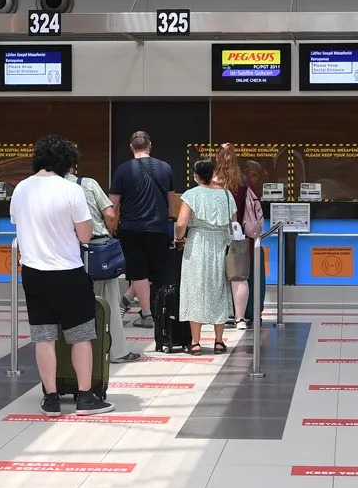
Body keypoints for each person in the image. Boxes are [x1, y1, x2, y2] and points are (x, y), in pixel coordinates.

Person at [10, 135, 113, 417]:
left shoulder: (21, 189)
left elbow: (18, 224)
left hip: (33, 273)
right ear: (67, 162)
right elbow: (85, 235)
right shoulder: (70, 190)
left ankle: (51, 399)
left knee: (43, 337)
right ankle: (85, 399)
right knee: (80, 337)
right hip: (68, 272)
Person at [65, 152, 139, 364]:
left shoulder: (51, 188)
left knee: (72, 303)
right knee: (109, 301)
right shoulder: (87, 184)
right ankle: (117, 352)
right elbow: (110, 213)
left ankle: (73, 352)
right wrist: (109, 231)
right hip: (97, 249)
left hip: (67, 251)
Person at [109, 131, 175, 329]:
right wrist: (169, 219)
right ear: (150, 145)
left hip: (131, 228)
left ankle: (145, 314)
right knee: (156, 272)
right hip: (158, 227)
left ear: (131, 147)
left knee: (138, 272)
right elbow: (171, 200)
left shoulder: (122, 169)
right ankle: (138, 306)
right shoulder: (165, 168)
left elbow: (114, 204)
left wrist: (111, 228)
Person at [174, 159, 238, 355]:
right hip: (221, 245)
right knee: (219, 289)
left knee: (195, 289)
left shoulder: (191, 195)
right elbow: (234, 223)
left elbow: (181, 223)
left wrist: (179, 237)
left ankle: (195, 342)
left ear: (196, 175)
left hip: (198, 244)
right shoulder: (227, 196)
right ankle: (219, 341)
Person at [212, 143, 252, 330]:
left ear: (217, 159)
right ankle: (240, 319)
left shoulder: (212, 181)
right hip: (236, 233)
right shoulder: (243, 181)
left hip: (213, 233)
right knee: (238, 277)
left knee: (215, 275)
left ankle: (218, 314)